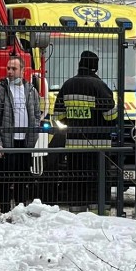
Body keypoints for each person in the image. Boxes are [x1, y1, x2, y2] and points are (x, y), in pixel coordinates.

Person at [53, 51, 118, 210]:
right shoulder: (100, 86)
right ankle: (99, 216)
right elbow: (111, 116)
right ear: (95, 67)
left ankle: (77, 215)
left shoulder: (67, 85)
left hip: (74, 146)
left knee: (76, 183)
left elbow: (58, 116)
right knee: (98, 182)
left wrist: (73, 122)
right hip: (98, 147)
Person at [0, 55, 41, 213]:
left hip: (24, 143)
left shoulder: (30, 90)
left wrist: (33, 138)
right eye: (8, 68)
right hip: (7, 143)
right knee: (5, 180)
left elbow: (36, 115)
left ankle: (20, 210)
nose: (10, 71)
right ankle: (4, 212)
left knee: (22, 180)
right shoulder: (0, 90)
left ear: (23, 71)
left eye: (14, 68)